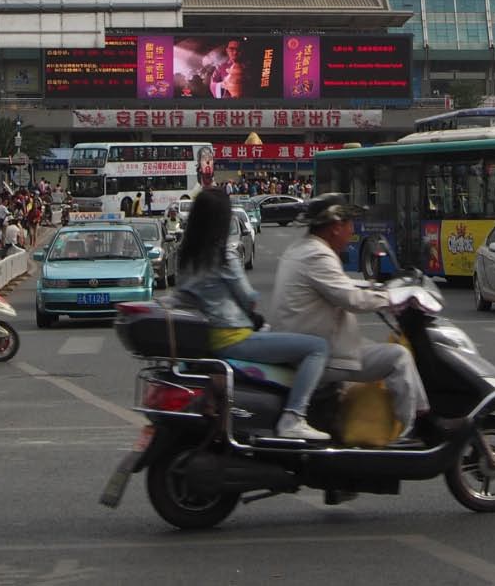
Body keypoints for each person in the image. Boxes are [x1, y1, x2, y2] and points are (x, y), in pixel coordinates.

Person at [269, 194, 442, 443]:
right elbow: (351, 299)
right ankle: (413, 427)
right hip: (319, 351)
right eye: (349, 223)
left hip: (305, 342)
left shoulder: (303, 249)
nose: (352, 230)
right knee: (398, 357)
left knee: (376, 350)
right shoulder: (319, 257)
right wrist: (393, 299)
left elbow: (339, 285)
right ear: (336, 227)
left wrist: (375, 288)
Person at [175, 187, 330, 441]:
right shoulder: (223, 254)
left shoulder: (187, 255)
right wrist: (253, 308)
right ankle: (293, 416)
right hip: (234, 338)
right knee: (317, 348)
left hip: (208, 339)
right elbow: (249, 298)